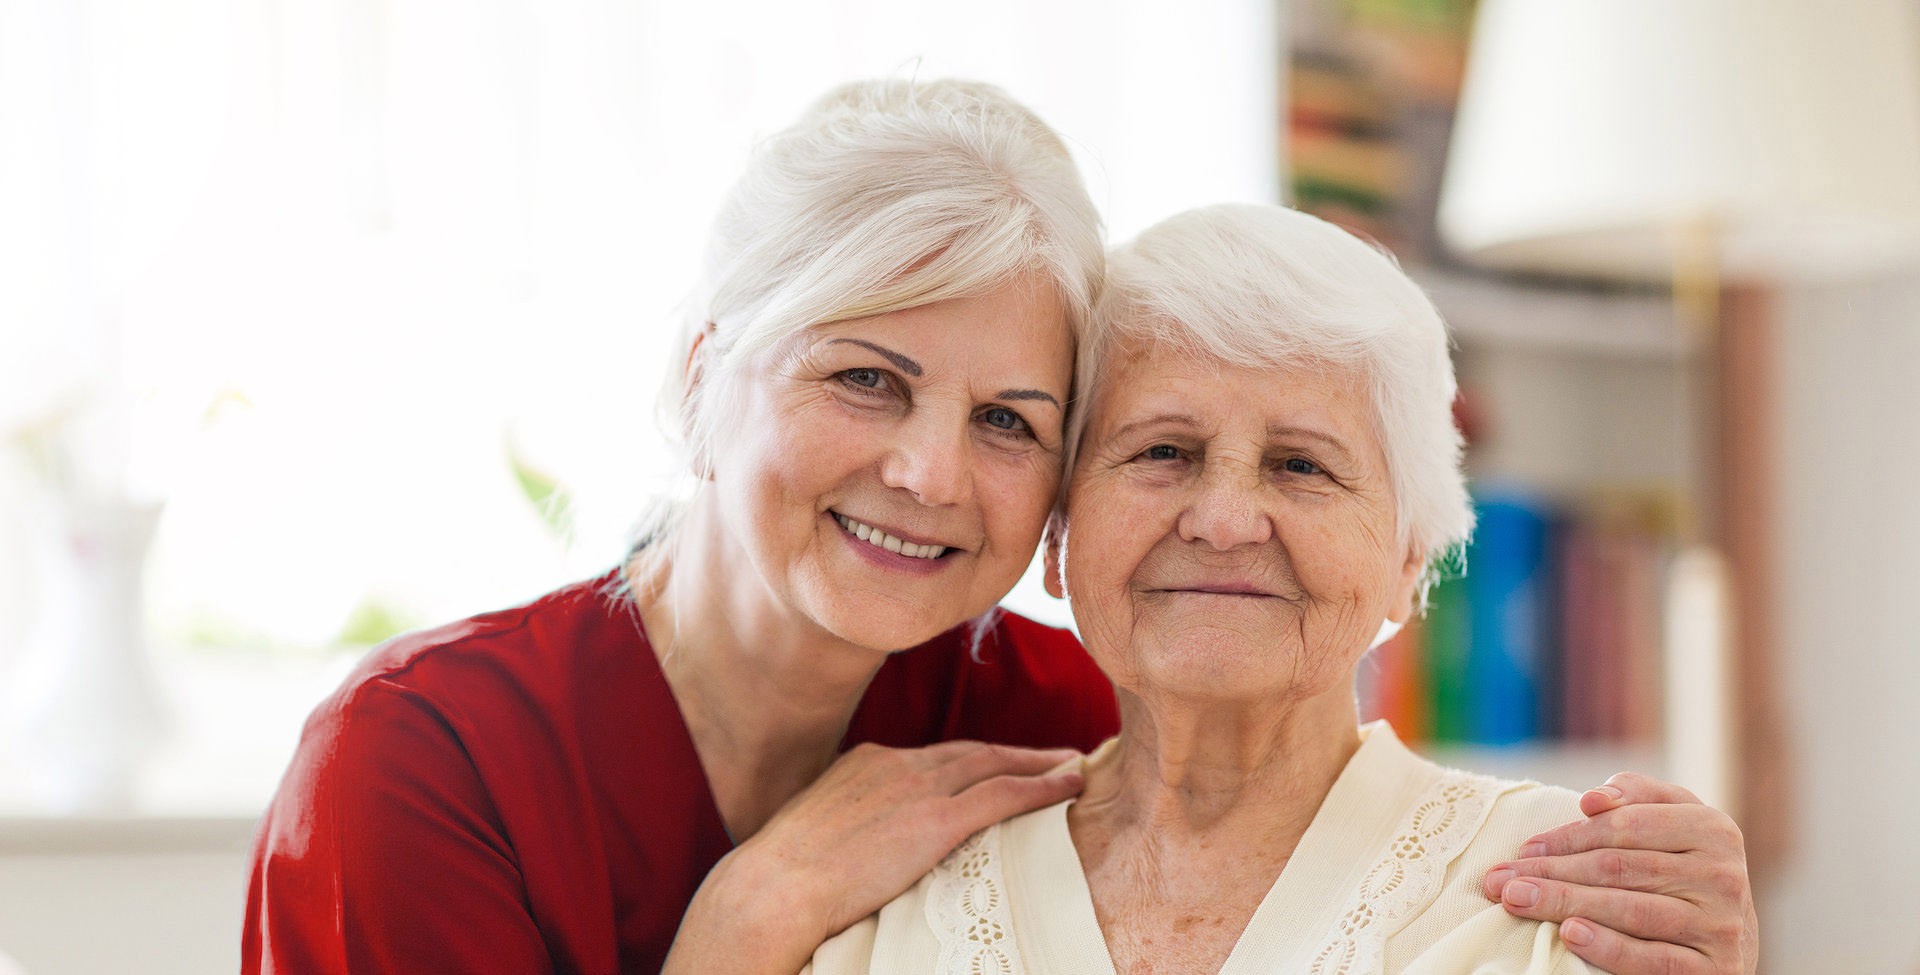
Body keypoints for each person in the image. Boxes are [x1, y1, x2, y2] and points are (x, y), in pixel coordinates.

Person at [242, 80, 1756, 975]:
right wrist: (745, 925)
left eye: (1011, 420)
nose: (926, 473)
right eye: (866, 378)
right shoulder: (416, 766)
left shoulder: (1053, 723)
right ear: (709, 375)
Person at [806, 203, 1752, 974]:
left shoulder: (1577, 891)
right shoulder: (893, 900)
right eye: (1163, 451)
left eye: (1301, 466)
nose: (1224, 519)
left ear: (1410, 556)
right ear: (1059, 537)